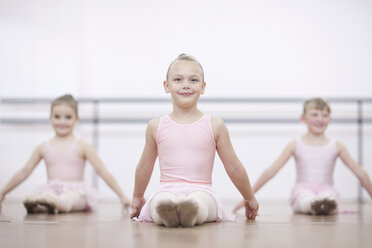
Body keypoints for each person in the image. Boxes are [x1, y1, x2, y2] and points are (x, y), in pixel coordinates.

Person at [130, 54, 258, 227]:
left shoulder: (215, 125)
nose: (186, 85)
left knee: (201, 202)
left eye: (193, 80)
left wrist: (249, 197)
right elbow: (145, 166)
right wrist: (138, 196)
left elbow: (234, 167)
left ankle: (190, 211)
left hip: (202, 190)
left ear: (203, 87)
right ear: (166, 86)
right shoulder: (155, 126)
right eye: (178, 79)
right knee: (160, 202)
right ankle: (168, 213)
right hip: (166, 190)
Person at [233, 97, 372, 215]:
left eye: (324, 115)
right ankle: (312, 204)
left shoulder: (336, 145)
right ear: (303, 118)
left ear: (329, 119)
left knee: (331, 197)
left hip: (327, 189)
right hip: (302, 189)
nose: (320, 119)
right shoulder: (296, 144)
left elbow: (360, 172)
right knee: (302, 198)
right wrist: (248, 196)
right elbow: (271, 171)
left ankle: (324, 204)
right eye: (315, 114)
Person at [0, 95, 130, 214]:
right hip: (52, 189)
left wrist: (122, 196)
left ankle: (51, 203)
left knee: (69, 198)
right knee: (47, 193)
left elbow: (102, 170)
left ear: (76, 119)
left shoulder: (82, 145)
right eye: (57, 117)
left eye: (68, 117)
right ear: (51, 118)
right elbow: (25, 171)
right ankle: (38, 204)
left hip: (78, 192)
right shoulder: (43, 147)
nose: (62, 122)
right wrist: (3, 193)